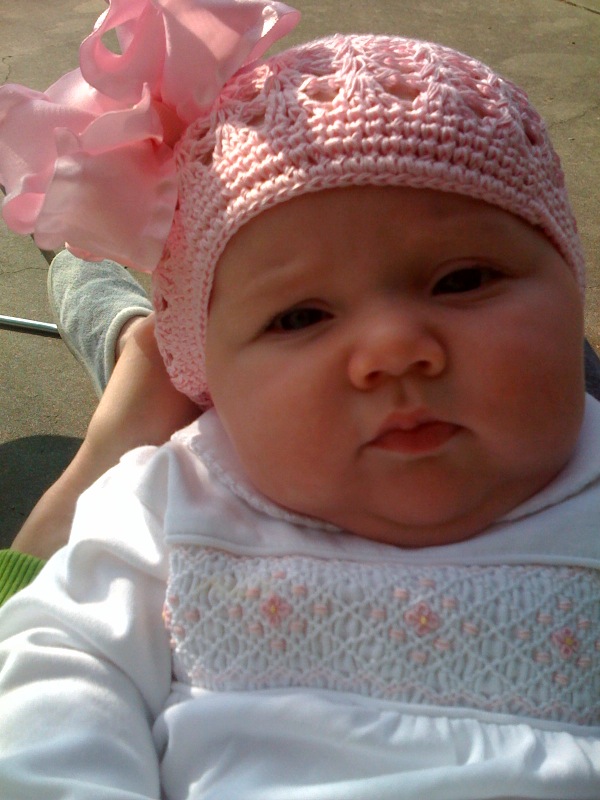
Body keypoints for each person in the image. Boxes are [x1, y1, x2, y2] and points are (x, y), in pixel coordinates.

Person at [0, 2, 598, 797]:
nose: (392, 350)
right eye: (301, 317)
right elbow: (50, 674)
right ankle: (129, 331)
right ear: (211, 381)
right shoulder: (165, 503)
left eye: (464, 279)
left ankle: (119, 328)